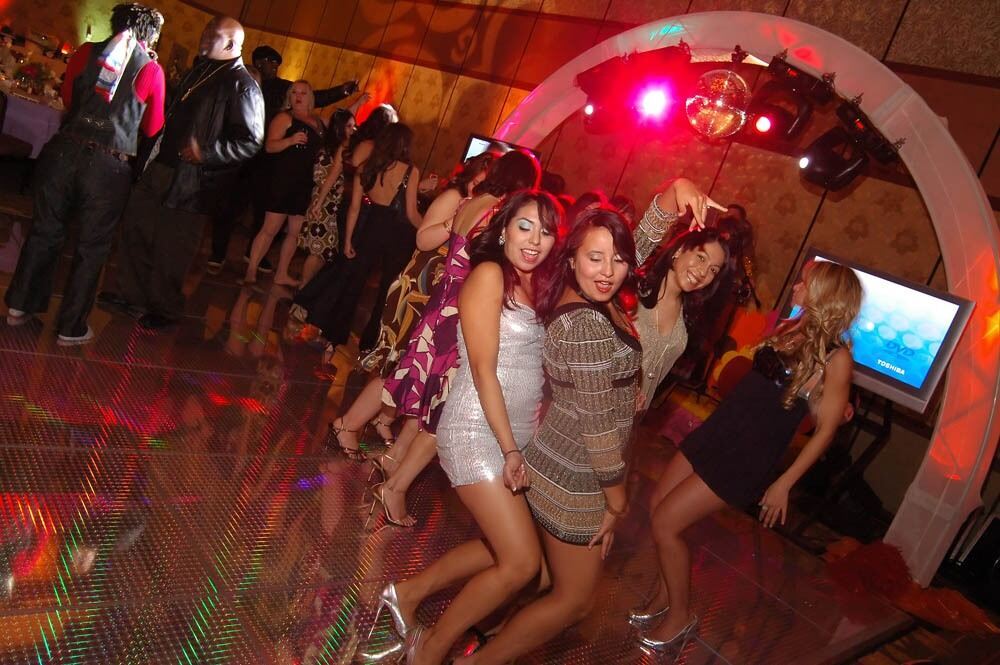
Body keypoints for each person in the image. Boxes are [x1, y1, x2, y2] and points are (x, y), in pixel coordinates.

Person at [634, 260, 861, 653]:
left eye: (804, 282)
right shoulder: (792, 327)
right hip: (718, 432)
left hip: (745, 455)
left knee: (667, 524)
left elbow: (825, 431)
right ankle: (666, 595)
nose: (795, 287)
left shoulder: (836, 358)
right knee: (658, 507)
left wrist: (784, 483)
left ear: (824, 294)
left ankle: (681, 616)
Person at [375, 190, 561, 665]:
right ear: (503, 229)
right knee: (522, 563)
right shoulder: (489, 275)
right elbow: (482, 370)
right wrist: (511, 450)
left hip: (517, 433)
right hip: (477, 431)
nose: (534, 240)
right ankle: (430, 649)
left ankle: (406, 593)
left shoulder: (539, 284)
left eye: (545, 231)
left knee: (508, 551)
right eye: (525, 226)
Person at [459, 208, 641, 664]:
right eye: (595, 258)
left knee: (529, 571)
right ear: (573, 258)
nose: (608, 270)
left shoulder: (591, 291)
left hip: (560, 460)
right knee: (573, 600)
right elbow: (598, 428)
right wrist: (616, 502)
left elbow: (627, 249)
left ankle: (435, 612)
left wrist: (670, 200)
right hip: (576, 477)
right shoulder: (584, 325)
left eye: (619, 260)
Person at [354, 151, 542, 525]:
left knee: (433, 403)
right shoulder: (498, 214)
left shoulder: (472, 203)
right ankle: (395, 488)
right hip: (464, 313)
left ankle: (394, 464)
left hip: (442, 307)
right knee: (444, 409)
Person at [321, 152, 497, 480]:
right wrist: (457, 220)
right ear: (471, 176)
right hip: (417, 291)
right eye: (481, 180)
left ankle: (360, 424)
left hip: (438, 299)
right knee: (395, 365)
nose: (484, 188)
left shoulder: (482, 207)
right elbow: (423, 238)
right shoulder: (455, 197)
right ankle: (346, 425)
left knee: (405, 368)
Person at [4, 3, 166, 345]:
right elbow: (153, 127)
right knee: (92, 247)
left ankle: (19, 306)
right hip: (108, 166)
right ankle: (70, 327)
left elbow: (67, 98)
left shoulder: (85, 52)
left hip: (64, 152)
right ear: (150, 35)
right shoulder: (150, 69)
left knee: (45, 231)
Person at [99, 16, 264, 329]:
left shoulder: (242, 85)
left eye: (212, 34)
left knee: (172, 247)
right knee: (136, 228)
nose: (204, 37)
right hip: (161, 166)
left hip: (193, 182)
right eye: (205, 30)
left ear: (231, 43)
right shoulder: (199, 71)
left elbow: (251, 141)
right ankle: (131, 296)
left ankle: (165, 309)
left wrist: (208, 154)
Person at [204, 45, 358, 273]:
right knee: (235, 211)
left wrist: (345, 93)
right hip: (254, 164)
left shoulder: (295, 99)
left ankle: (259, 260)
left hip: (285, 174)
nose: (270, 66)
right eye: (266, 61)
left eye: (272, 62)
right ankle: (223, 257)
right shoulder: (250, 89)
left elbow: (324, 104)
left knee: (274, 222)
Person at [301, 123, 421, 352]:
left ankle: (334, 337)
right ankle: (369, 343)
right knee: (386, 290)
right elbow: (411, 213)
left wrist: (348, 240)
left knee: (353, 285)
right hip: (397, 234)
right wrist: (432, 229)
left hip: (370, 228)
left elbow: (355, 208)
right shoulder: (410, 171)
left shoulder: (366, 167)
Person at [243, 80, 325, 287]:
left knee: (295, 232)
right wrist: (290, 140)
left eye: (303, 93)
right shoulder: (285, 117)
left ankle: (281, 273)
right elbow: (269, 146)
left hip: (305, 183)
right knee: (270, 228)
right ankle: (251, 269)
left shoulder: (318, 122)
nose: (298, 96)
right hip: (283, 180)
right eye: (294, 92)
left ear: (310, 97)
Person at [296, 108, 357, 286]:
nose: (353, 130)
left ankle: (306, 288)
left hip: (331, 206)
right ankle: (303, 287)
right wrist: (339, 189)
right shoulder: (330, 150)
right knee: (317, 251)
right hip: (324, 205)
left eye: (354, 126)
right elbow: (322, 177)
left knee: (324, 252)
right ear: (339, 128)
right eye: (349, 126)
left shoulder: (342, 149)